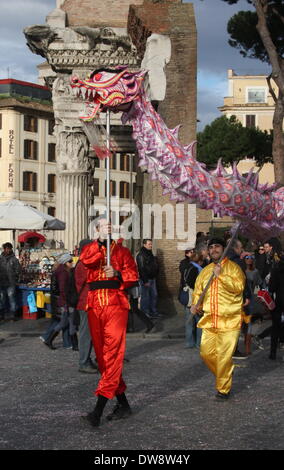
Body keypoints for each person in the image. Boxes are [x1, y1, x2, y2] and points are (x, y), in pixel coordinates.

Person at [80, 217, 138, 427]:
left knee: (112, 355)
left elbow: (133, 275)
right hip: (95, 305)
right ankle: (123, 404)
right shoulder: (90, 248)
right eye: (103, 225)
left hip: (115, 304)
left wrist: (118, 273)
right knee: (103, 360)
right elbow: (87, 261)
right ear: (96, 229)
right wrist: (100, 245)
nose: (108, 228)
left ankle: (97, 411)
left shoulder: (123, 252)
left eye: (110, 225)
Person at [191, 238, 246, 399]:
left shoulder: (234, 268)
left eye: (217, 247)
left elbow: (239, 288)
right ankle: (226, 370)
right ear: (208, 251)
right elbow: (198, 293)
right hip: (209, 320)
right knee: (206, 354)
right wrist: (196, 305)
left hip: (229, 321)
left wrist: (221, 276)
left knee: (223, 356)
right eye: (211, 247)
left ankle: (223, 389)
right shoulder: (205, 271)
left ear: (223, 249)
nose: (214, 250)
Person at [43, 253, 77, 350]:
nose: (72, 263)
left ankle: (75, 345)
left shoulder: (64, 271)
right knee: (64, 322)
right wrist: (66, 302)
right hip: (65, 301)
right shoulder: (63, 272)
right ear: (65, 262)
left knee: (70, 322)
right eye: (70, 261)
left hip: (65, 301)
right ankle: (49, 339)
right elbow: (63, 289)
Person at [75, 239, 98, 373]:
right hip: (86, 302)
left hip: (90, 302)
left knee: (91, 334)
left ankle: (87, 359)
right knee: (86, 334)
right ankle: (83, 362)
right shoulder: (83, 264)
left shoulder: (85, 263)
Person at [179, 248, 202, 348]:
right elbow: (196, 284)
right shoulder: (197, 269)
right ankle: (199, 343)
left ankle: (189, 342)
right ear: (199, 261)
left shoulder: (186, 266)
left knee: (189, 321)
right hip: (194, 297)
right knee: (199, 322)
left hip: (187, 298)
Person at [243, 255, 264, 356]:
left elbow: (261, 283)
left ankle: (247, 345)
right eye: (247, 257)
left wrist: (264, 294)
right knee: (239, 322)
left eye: (251, 257)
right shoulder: (239, 270)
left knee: (249, 322)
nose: (249, 259)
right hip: (239, 299)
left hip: (250, 299)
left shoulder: (255, 271)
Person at [136, 239, 160, 319]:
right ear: (144, 245)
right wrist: (145, 280)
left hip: (152, 278)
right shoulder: (141, 255)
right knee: (145, 297)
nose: (151, 245)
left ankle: (153, 312)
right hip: (146, 280)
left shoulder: (150, 253)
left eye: (151, 244)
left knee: (154, 295)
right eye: (149, 244)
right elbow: (141, 268)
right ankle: (145, 313)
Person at [267, 254, 284, 360]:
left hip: (279, 301)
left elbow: (271, 288)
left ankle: (273, 353)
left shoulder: (276, 269)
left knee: (275, 327)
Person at [0, 242, 21, 321]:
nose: (8, 250)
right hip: (1, 282)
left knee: (12, 298)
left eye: (9, 248)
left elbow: (18, 270)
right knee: (1, 299)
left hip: (11, 283)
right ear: (4, 249)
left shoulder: (14, 259)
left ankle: (13, 315)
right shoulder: (0, 258)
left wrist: (15, 279)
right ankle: (1, 314)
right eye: (6, 248)